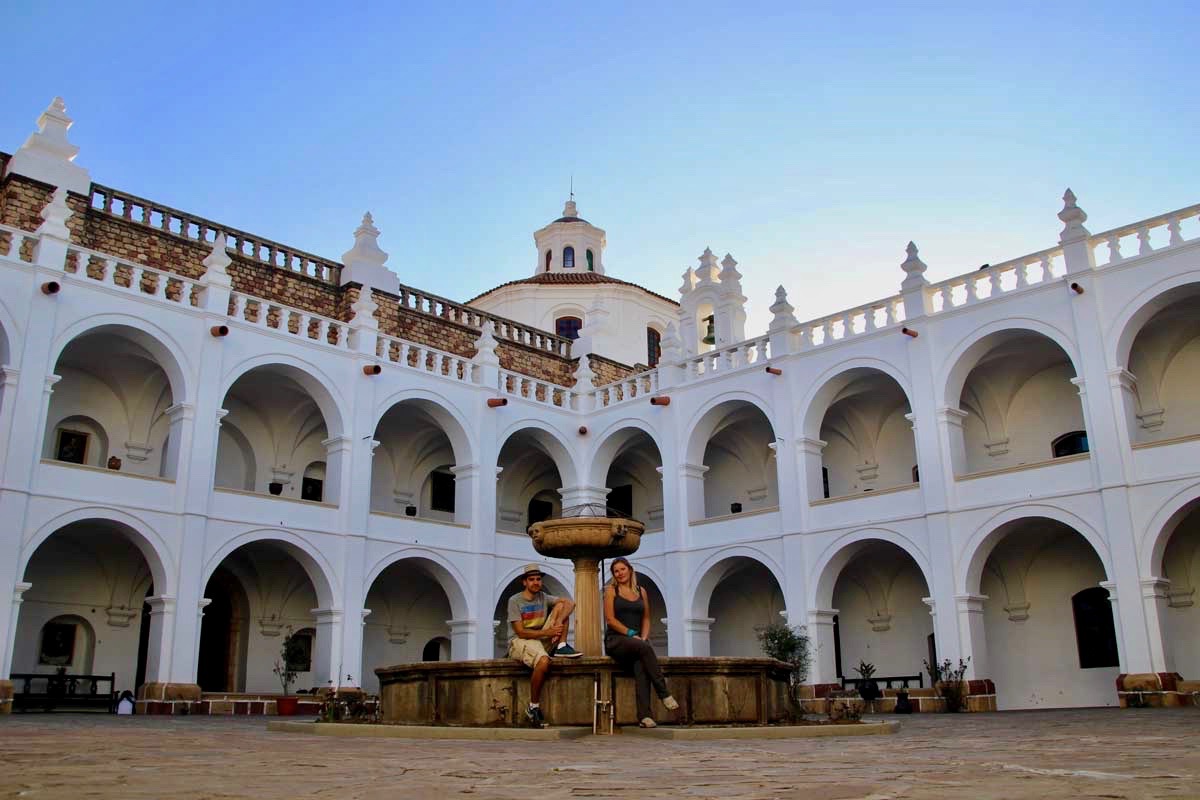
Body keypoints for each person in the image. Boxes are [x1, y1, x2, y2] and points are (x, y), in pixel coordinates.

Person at [603, 557, 678, 727]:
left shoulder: (640, 591)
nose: (620, 573)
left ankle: (645, 716)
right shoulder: (611, 591)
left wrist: (643, 637)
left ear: (629, 570)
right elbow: (610, 620)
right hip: (616, 640)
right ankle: (664, 693)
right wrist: (630, 633)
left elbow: (645, 618)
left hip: (637, 643)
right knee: (643, 649)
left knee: (641, 665)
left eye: (622, 569)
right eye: (616, 571)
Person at [507, 563, 582, 726]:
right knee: (543, 661)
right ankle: (533, 707)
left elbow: (570, 604)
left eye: (538, 579)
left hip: (541, 639)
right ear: (524, 582)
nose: (536, 582)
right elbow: (520, 632)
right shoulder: (515, 601)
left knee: (562, 606)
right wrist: (548, 633)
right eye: (532, 579)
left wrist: (558, 622)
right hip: (520, 641)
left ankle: (562, 646)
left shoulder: (543, 597)